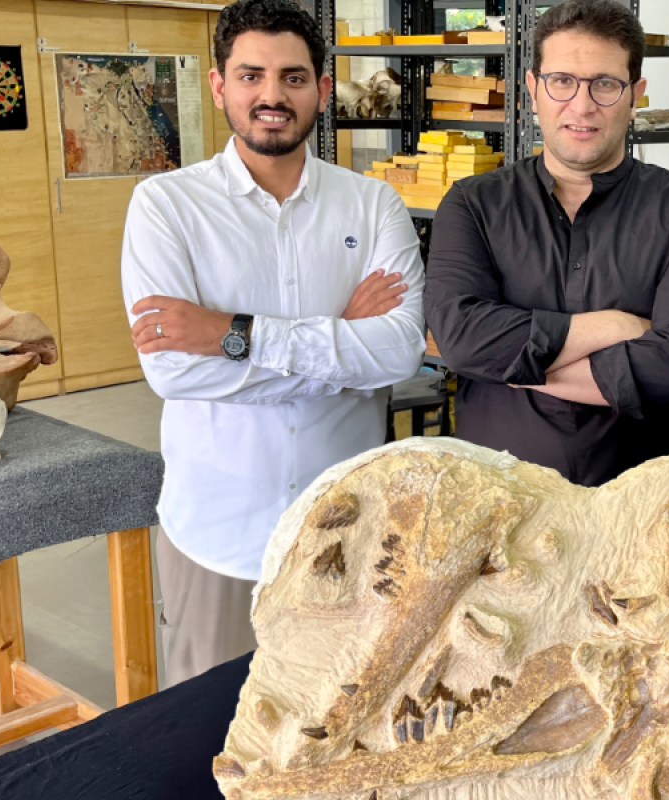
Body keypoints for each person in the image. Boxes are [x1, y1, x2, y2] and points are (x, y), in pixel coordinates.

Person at [120, 0, 426, 686]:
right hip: (220, 533)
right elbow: (174, 372)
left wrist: (231, 334)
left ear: (321, 88)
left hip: (346, 533)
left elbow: (399, 352)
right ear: (219, 85)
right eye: (251, 75)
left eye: (292, 77)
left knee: (337, 722)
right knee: (209, 734)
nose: (271, 95)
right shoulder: (166, 206)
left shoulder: (372, 205)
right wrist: (340, 346)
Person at [424, 0, 669, 487]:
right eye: (562, 81)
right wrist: (615, 326)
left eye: (605, 84)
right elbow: (462, 340)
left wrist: (511, 367)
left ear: (636, 95)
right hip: (498, 506)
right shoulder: (473, 204)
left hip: (643, 513)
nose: (582, 105)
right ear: (532, 90)